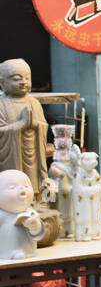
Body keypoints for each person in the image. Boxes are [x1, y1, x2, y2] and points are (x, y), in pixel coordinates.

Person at [0, 59, 49, 195]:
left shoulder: (34, 103)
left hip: (33, 152)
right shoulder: (1, 105)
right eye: (17, 79)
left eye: (27, 78)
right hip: (11, 157)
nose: (23, 82)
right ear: (2, 83)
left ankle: (35, 198)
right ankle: (10, 201)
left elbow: (43, 126)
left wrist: (36, 125)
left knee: (33, 179)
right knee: (13, 181)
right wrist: (20, 125)